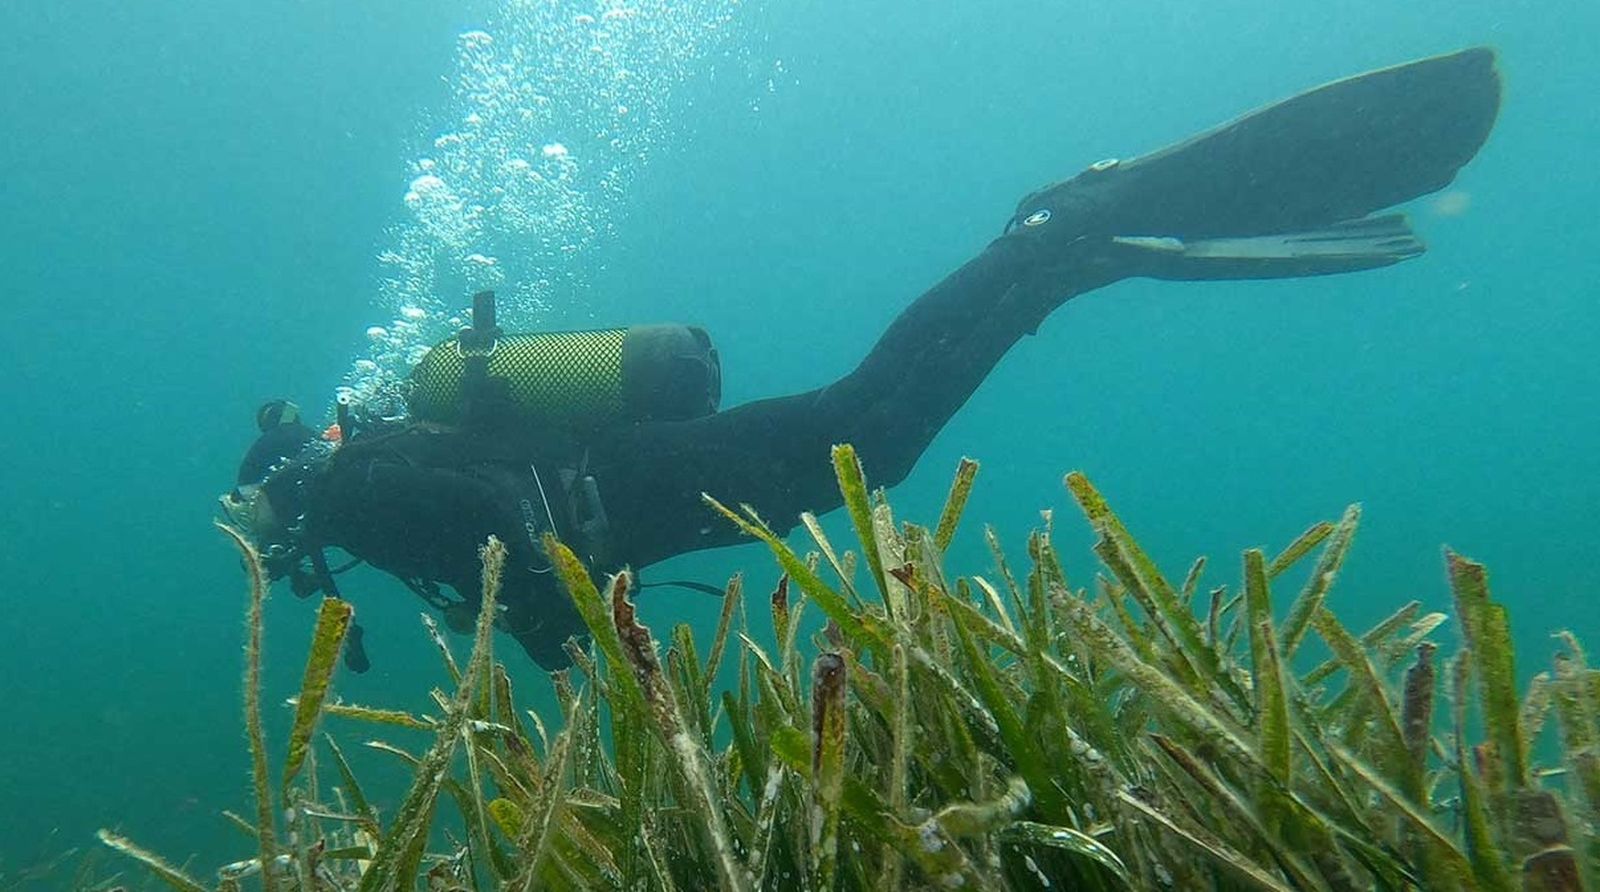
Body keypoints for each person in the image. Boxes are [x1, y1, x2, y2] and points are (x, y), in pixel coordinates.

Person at [222, 47, 1501, 671]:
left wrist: (555, 634)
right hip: (649, 486)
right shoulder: (371, 474)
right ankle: (1063, 257)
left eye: (257, 511)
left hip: (645, 490)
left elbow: (499, 540)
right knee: (867, 431)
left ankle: (1050, 236)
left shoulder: (358, 492)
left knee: (865, 427)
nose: (267, 538)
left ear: (288, 481)